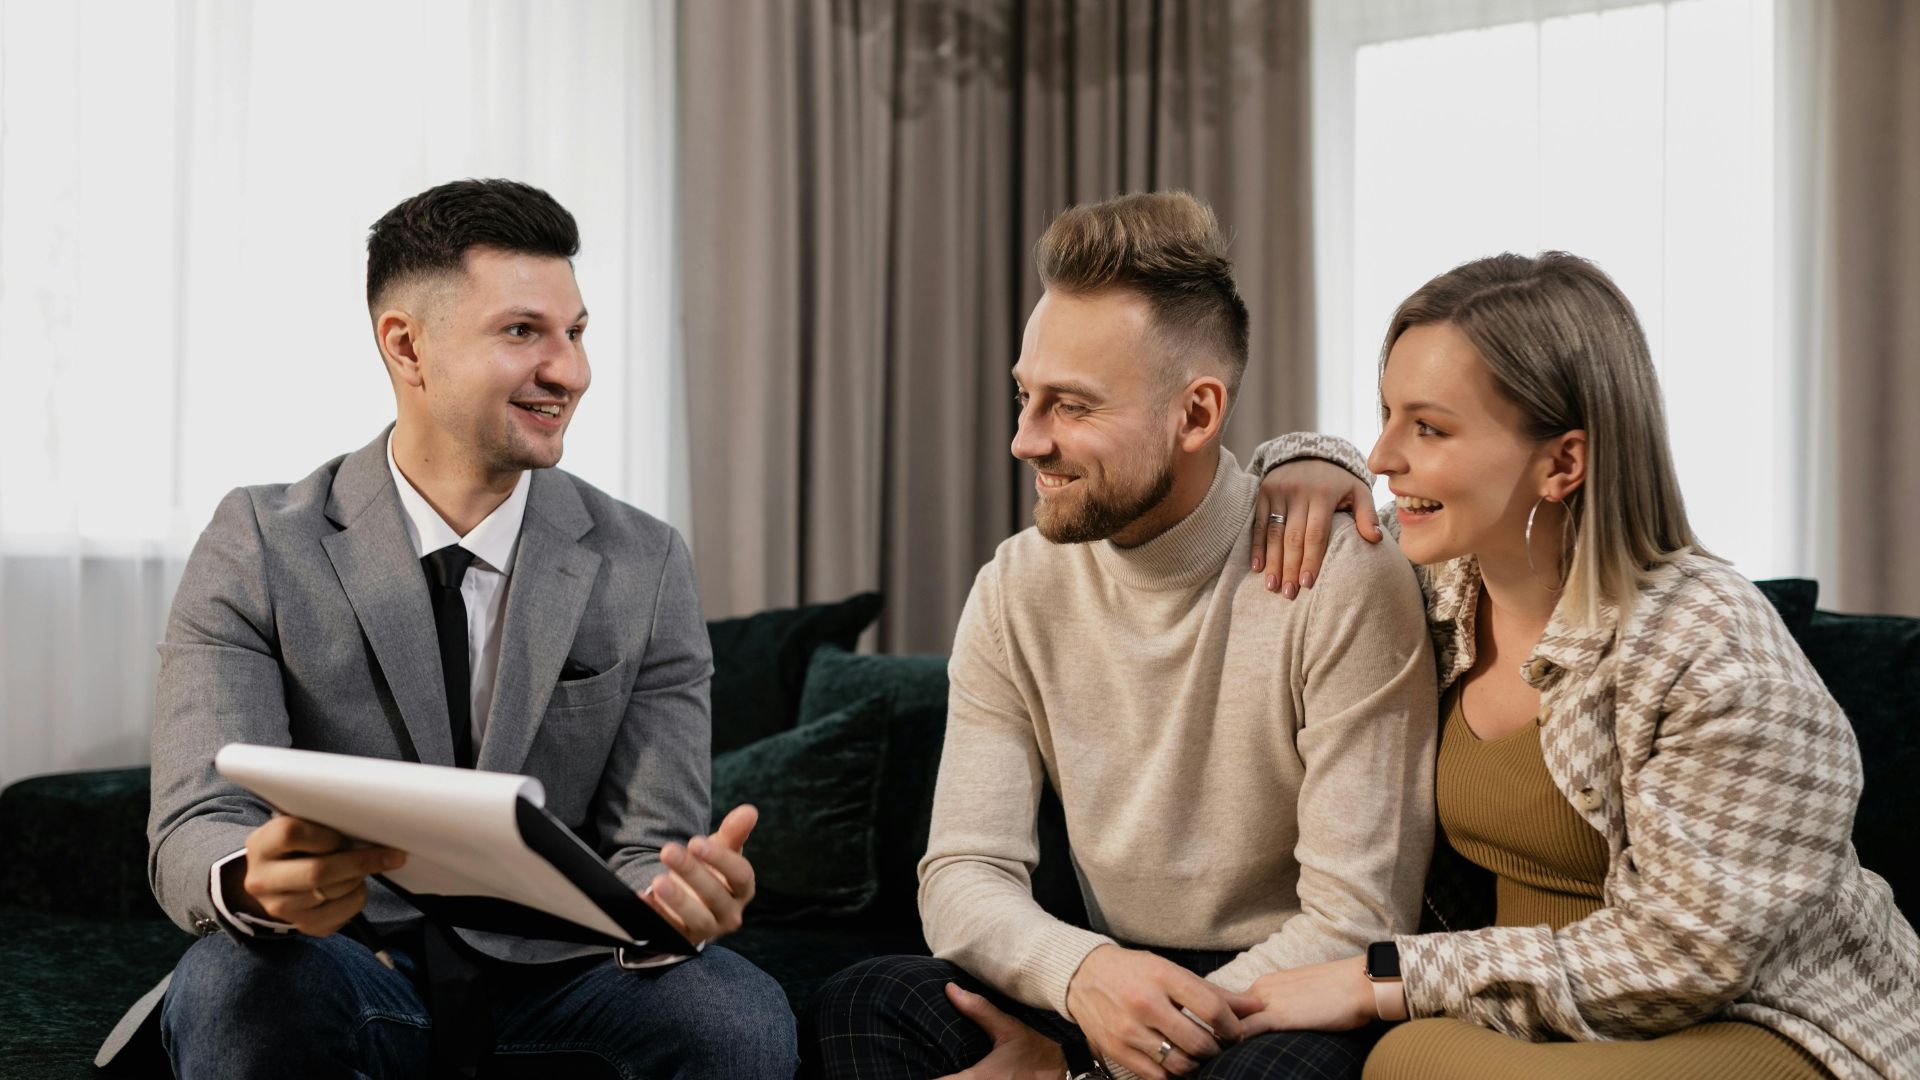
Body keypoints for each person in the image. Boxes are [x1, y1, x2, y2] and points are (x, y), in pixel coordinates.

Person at [96, 178, 798, 1079]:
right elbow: (201, 817)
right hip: (337, 959)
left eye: (576, 333)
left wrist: (672, 899)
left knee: (736, 1017)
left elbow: (646, 844)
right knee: (244, 986)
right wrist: (254, 880)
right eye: (523, 332)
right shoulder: (260, 543)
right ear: (406, 346)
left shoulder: (645, 560)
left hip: (562, 976)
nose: (571, 371)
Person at [1241, 251, 1920, 1079]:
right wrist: (1306, 459)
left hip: (1757, 1018)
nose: (1382, 455)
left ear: (1563, 463)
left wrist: (1385, 977)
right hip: (1538, 1015)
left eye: (1428, 427)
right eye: (1384, 413)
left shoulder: (1714, 652)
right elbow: (1309, 512)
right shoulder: (1434, 582)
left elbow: (1685, 959)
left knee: (1412, 1060)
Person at [809, 191, 1439, 1080]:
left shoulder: (1340, 577)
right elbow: (961, 874)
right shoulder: (1014, 589)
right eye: (1025, 396)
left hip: (1287, 991)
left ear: (1196, 414)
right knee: (864, 1002)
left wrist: (1088, 1070)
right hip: (1108, 979)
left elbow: (1355, 918)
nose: (1025, 440)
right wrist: (1085, 977)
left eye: (1071, 406)